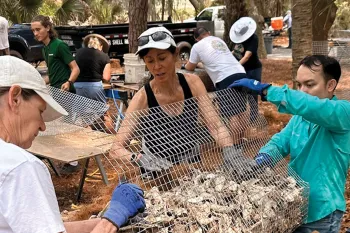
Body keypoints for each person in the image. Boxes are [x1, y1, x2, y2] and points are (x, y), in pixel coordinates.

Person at [0, 56, 145, 233]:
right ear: (15, 98)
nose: (43, 126)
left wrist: (100, 221)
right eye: (40, 111)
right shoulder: (20, 167)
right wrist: (112, 220)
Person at [110, 27, 253, 178]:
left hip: (190, 164)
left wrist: (230, 150)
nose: (157, 66)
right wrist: (138, 158)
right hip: (156, 169)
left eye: (162, 58)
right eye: (150, 61)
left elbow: (215, 126)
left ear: (175, 54)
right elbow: (116, 148)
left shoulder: (193, 84)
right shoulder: (142, 98)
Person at [230, 55, 350, 233]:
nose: (302, 91)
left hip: (323, 213)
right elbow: (281, 141)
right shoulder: (300, 118)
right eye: (299, 85)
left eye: (309, 85)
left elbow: (312, 106)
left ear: (330, 85)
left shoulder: (342, 113)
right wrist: (264, 158)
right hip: (294, 204)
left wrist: (266, 90)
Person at [183, 26, 249, 159]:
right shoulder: (218, 40)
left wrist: (186, 64)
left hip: (225, 77)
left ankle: (235, 150)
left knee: (233, 114)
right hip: (240, 72)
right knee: (242, 110)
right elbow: (218, 60)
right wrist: (203, 65)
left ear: (196, 39)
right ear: (208, 33)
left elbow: (190, 67)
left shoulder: (197, 46)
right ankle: (240, 144)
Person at [31, 15, 80, 173]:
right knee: (58, 126)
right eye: (33, 31)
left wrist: (69, 82)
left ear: (47, 28)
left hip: (66, 93)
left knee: (66, 126)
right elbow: (52, 75)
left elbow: (75, 69)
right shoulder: (45, 48)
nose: (35, 33)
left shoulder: (59, 45)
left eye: (38, 29)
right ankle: (66, 158)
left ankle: (73, 162)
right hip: (55, 93)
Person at [230, 17, 262, 122]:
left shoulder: (254, 38)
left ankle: (253, 118)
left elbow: (247, 56)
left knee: (253, 93)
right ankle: (241, 117)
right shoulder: (237, 40)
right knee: (241, 92)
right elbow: (234, 52)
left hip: (253, 69)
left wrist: (236, 66)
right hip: (242, 70)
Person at [74, 33, 111, 103]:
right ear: (101, 46)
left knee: (81, 112)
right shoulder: (104, 56)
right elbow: (106, 77)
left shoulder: (78, 53)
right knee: (101, 111)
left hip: (78, 86)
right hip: (95, 87)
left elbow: (73, 69)